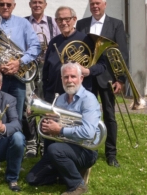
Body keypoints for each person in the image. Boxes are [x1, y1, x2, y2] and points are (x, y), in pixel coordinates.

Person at [26, 62, 100, 195]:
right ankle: (67, 172)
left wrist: (59, 130)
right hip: (65, 147)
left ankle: (77, 185)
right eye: (66, 77)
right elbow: (55, 127)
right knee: (32, 179)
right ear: (61, 79)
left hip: (86, 149)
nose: (69, 80)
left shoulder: (89, 99)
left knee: (55, 149)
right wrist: (48, 124)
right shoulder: (60, 99)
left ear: (81, 78)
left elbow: (89, 133)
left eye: (73, 76)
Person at [76, 0, 128, 168]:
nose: (95, 6)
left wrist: (120, 79)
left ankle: (111, 153)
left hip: (107, 78)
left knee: (109, 116)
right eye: (92, 4)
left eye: (98, 3)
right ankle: (87, 149)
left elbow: (122, 54)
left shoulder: (116, 24)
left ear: (105, 5)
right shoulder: (82, 24)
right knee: (84, 115)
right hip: (86, 78)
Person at [0, 0, 40, 121]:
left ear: (14, 6)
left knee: (17, 113)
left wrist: (20, 62)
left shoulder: (23, 23)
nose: (5, 7)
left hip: (18, 76)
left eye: (8, 4)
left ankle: (16, 138)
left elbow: (35, 46)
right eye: (2, 4)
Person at [24, 0, 61, 158]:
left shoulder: (54, 23)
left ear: (45, 5)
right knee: (29, 104)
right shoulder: (23, 23)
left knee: (47, 104)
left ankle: (45, 140)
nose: (37, 5)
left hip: (47, 69)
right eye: (34, 2)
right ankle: (31, 142)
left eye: (40, 2)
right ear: (30, 4)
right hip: (29, 68)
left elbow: (60, 46)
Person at [42, 6, 106, 104]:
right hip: (54, 95)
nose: (63, 23)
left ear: (74, 19)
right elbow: (46, 71)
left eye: (67, 19)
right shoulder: (53, 42)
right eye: (60, 20)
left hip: (78, 96)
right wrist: (47, 92)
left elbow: (102, 65)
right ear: (56, 21)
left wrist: (88, 71)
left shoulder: (87, 40)